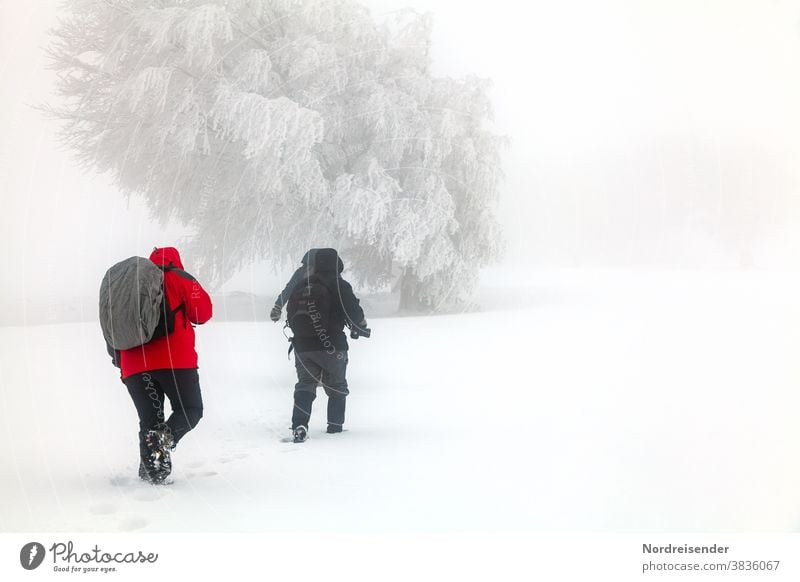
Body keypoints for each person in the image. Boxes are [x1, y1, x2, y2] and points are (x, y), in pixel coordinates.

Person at [109, 247, 213, 483]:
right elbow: (203, 313)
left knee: (149, 420)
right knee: (190, 410)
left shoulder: (131, 284)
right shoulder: (179, 277)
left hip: (134, 365)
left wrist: (120, 360)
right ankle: (162, 441)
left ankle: (151, 475)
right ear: (176, 261)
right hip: (175, 362)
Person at [270, 248, 369, 442]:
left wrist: (277, 307)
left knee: (305, 385)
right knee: (337, 387)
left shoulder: (302, 284)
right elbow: (356, 315)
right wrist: (361, 328)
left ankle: (300, 424)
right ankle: (335, 428)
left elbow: (289, 300)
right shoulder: (340, 285)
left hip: (303, 346)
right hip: (333, 346)